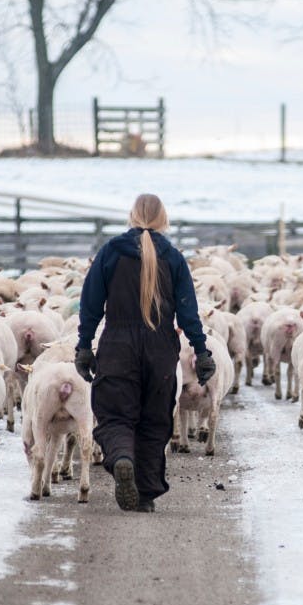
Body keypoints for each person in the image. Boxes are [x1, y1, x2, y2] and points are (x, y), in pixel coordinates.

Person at [74, 194, 215, 513]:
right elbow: (188, 311)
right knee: (155, 418)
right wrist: (201, 351)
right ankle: (146, 492)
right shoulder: (174, 257)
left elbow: (90, 304)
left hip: (118, 345)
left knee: (114, 412)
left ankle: (122, 457)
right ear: (163, 219)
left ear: (132, 216)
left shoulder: (111, 252)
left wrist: (84, 346)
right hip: (161, 348)